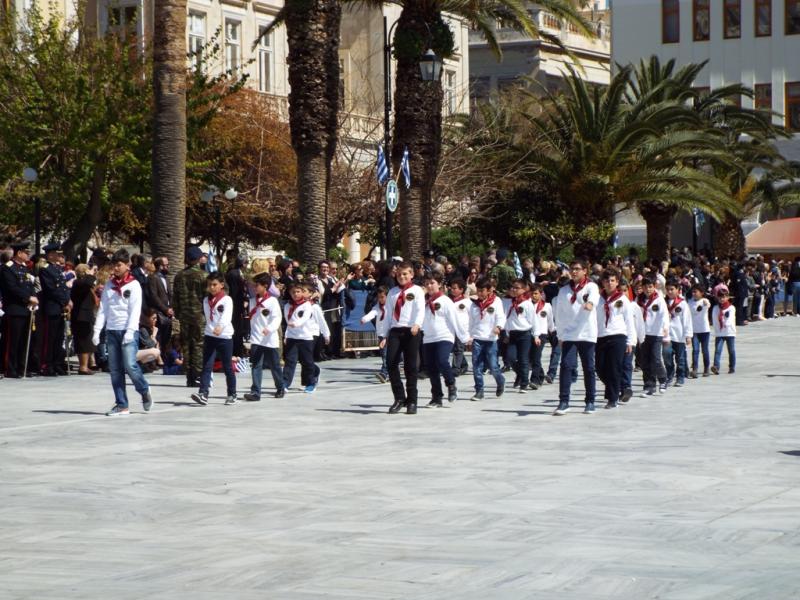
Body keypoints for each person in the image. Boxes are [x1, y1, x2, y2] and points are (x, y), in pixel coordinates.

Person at [92, 249, 153, 416]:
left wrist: (130, 331)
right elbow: (103, 309)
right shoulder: (109, 285)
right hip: (112, 330)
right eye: (114, 265)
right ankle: (122, 404)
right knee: (115, 369)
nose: (116, 268)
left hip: (128, 330)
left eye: (119, 265)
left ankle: (144, 390)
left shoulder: (134, 285)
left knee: (130, 365)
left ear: (127, 266)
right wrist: (97, 330)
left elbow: (135, 311)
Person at [553, 260, 600, 415]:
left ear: (585, 271)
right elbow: (559, 314)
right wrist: (560, 335)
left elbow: (594, 298)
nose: (574, 272)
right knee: (566, 365)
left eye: (577, 269)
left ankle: (590, 401)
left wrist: (590, 304)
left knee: (589, 367)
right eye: (572, 269)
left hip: (586, 333)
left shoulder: (591, 286)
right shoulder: (564, 290)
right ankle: (564, 402)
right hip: (569, 334)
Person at [190, 271, 238, 406]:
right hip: (210, 336)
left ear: (222, 285)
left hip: (224, 337)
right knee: (207, 366)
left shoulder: (227, 300)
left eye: (214, 284)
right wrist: (211, 329)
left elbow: (226, 316)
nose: (211, 287)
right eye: (209, 285)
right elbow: (208, 317)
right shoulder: (206, 300)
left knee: (227, 367)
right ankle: (203, 393)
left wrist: (220, 327)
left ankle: (232, 394)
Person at [421, 272, 468, 407]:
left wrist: (464, 337)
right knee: (431, 368)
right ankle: (437, 397)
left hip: (444, 336)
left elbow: (455, 319)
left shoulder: (445, 301)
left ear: (440, 284)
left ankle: (451, 384)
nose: (429, 286)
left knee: (442, 361)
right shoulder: (424, 302)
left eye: (432, 283)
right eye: (427, 284)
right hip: (428, 338)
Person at [385, 261, 426, 414]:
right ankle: (399, 398)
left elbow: (420, 309)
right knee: (391, 363)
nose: (401, 277)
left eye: (405, 274)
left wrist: (417, 324)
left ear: (411, 275)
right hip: (395, 330)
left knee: (411, 366)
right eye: (399, 274)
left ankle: (412, 400)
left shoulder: (417, 290)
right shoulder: (392, 292)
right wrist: (383, 334)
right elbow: (388, 314)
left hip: (411, 331)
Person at [595, 268, 637, 409]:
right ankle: (618, 387)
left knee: (614, 367)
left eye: (612, 280)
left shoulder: (622, 299)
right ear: (602, 282)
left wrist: (630, 341)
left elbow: (629, 321)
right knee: (600, 368)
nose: (610, 283)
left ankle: (612, 399)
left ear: (617, 282)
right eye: (607, 281)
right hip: (601, 336)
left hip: (618, 336)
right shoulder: (598, 299)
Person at [0, 241, 39, 378]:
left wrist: (34, 297)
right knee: (13, 341)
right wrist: (28, 298)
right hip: (14, 309)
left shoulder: (24, 268)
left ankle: (22, 367)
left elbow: (30, 285)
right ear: (19, 253)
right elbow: (12, 288)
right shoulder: (8, 268)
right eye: (26, 253)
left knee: (24, 340)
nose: (28, 255)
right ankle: (10, 368)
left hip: (26, 309)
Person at [244, 272, 285, 400]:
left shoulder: (272, 301)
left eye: (257, 285)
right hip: (256, 339)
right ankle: (256, 392)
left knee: (274, 365)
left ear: (265, 286)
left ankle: (280, 387)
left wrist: (270, 328)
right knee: (256, 365)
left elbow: (277, 318)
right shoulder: (252, 301)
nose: (254, 288)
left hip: (270, 339)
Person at [467, 277, 506, 401]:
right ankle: (479, 391)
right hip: (478, 338)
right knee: (477, 366)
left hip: (491, 339)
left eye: (482, 290)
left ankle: (500, 381)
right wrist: (469, 336)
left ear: (489, 290)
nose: (479, 293)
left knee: (493, 366)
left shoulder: (496, 301)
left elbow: (501, 316)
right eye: (478, 290)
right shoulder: (474, 305)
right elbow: (471, 322)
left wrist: (498, 327)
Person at [173, 246, 207, 387]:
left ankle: (189, 376)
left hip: (184, 316)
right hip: (199, 315)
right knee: (198, 344)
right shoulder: (203, 276)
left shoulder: (179, 276)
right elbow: (207, 297)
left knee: (186, 345)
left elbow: (175, 298)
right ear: (199, 259)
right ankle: (197, 374)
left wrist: (178, 313)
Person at [38, 242, 71, 376]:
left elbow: (63, 287)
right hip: (52, 307)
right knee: (50, 338)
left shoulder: (57, 268)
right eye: (57, 254)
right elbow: (51, 290)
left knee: (58, 338)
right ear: (50, 255)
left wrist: (68, 300)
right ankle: (47, 365)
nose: (59, 256)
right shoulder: (45, 269)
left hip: (60, 307)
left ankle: (57, 363)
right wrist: (64, 301)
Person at [282, 282, 320, 393]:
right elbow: (288, 321)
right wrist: (286, 335)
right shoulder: (287, 306)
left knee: (307, 361)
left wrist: (296, 323)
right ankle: (284, 383)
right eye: (293, 292)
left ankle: (310, 383)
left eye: (298, 292)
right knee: (290, 361)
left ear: (302, 292)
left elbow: (305, 317)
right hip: (292, 337)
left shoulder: (307, 305)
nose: (295, 294)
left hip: (305, 337)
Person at [637, 276, 669, 397]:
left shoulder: (659, 300)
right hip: (643, 334)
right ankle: (649, 386)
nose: (648, 289)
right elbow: (635, 315)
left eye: (650, 287)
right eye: (645, 287)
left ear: (654, 287)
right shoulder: (638, 299)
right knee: (644, 361)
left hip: (656, 333)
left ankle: (663, 379)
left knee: (656, 359)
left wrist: (665, 328)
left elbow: (664, 315)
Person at [504, 278, 535, 393]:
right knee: (510, 357)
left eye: (517, 288)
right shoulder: (508, 302)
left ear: (523, 289)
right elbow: (505, 318)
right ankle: (521, 374)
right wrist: (506, 333)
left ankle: (524, 383)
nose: (514, 290)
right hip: (512, 334)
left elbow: (533, 320)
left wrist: (536, 335)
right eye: (513, 287)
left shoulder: (527, 303)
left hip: (524, 333)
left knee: (523, 359)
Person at [663, 278, 693, 388]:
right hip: (667, 336)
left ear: (678, 290)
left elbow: (687, 320)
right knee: (667, 356)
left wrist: (688, 335)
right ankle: (669, 375)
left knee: (680, 358)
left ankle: (680, 377)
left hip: (679, 335)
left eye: (672, 289)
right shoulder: (663, 302)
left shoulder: (682, 304)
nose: (669, 292)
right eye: (667, 289)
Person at [70, 264, 98, 375]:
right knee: (83, 341)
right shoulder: (78, 283)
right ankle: (83, 367)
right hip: (81, 316)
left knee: (87, 340)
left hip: (86, 315)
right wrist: (90, 274)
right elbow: (88, 282)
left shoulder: (83, 283)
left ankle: (86, 365)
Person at [360, 285, 390, 383]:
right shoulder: (377, 307)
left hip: (390, 334)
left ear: (387, 296)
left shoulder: (391, 307)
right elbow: (372, 313)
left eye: (382, 297)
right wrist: (364, 319)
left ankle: (385, 373)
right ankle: (385, 373)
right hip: (381, 334)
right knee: (384, 355)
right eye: (379, 297)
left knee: (390, 355)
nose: (380, 299)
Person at [529, 283, 556, 389]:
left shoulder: (547, 306)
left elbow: (550, 320)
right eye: (532, 293)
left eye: (536, 293)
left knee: (536, 356)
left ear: (541, 294)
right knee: (531, 357)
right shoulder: (527, 305)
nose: (534, 296)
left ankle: (534, 380)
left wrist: (552, 330)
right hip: (529, 333)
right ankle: (540, 374)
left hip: (542, 334)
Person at [147, 256, 173, 351]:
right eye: (166, 265)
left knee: (166, 338)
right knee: (158, 338)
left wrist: (171, 308)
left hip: (168, 314)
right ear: (160, 266)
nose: (168, 267)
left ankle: (164, 355)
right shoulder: (153, 277)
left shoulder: (166, 278)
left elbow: (169, 294)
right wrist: (165, 309)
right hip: (159, 313)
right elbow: (154, 296)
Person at [225, 253, 249, 357]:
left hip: (239, 305)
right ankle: (236, 351)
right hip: (235, 306)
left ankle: (238, 350)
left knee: (239, 329)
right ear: (243, 263)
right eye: (247, 262)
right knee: (236, 328)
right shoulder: (234, 274)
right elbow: (234, 292)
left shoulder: (239, 273)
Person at [687, 284, 711, 378]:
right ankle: (695, 369)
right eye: (692, 292)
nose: (694, 294)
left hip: (704, 330)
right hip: (694, 330)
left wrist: (705, 303)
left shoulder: (704, 300)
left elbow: (708, 304)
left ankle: (706, 368)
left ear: (702, 293)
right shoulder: (690, 302)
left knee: (705, 350)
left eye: (695, 292)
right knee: (695, 350)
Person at [711, 288, 737, 374]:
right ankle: (716, 366)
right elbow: (714, 319)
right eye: (720, 297)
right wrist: (717, 329)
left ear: (728, 297)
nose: (722, 299)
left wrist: (725, 324)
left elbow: (730, 319)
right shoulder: (715, 308)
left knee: (731, 350)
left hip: (729, 332)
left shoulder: (731, 308)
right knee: (718, 350)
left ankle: (732, 367)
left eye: (724, 297)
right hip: (719, 333)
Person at [448, 278, 470, 376]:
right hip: (451, 328)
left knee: (458, 348)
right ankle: (463, 364)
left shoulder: (467, 302)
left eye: (455, 288)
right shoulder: (448, 301)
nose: (452, 290)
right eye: (451, 288)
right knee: (455, 348)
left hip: (461, 328)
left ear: (461, 290)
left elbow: (471, 316)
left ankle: (456, 368)